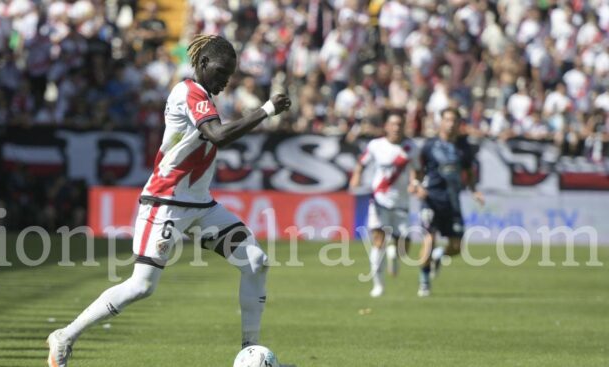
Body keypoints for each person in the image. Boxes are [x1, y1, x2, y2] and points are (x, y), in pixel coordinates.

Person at [46, 34, 291, 367]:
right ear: (203, 63)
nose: (225, 80)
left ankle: (250, 353)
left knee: (256, 261)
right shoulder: (188, 92)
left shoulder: (203, 95)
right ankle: (65, 335)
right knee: (141, 285)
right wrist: (267, 110)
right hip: (166, 202)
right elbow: (218, 136)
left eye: (230, 74)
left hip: (202, 207)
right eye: (221, 71)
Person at [413, 108, 484, 297]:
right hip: (431, 199)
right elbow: (418, 169)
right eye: (447, 119)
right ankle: (424, 281)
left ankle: (438, 256)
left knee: (456, 247)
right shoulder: (430, 146)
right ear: (441, 122)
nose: (450, 124)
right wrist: (416, 185)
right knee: (429, 239)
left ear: (459, 123)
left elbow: (469, 173)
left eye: (454, 120)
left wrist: (474, 190)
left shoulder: (463, 147)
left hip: (452, 201)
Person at [349, 112, 420, 298]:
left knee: (405, 246)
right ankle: (378, 285)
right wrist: (356, 178)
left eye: (400, 124)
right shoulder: (376, 146)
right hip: (379, 199)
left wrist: (415, 183)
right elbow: (361, 163)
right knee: (378, 241)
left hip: (402, 202)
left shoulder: (411, 147)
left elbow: (417, 170)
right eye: (393, 124)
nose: (396, 128)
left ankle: (394, 254)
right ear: (386, 127)